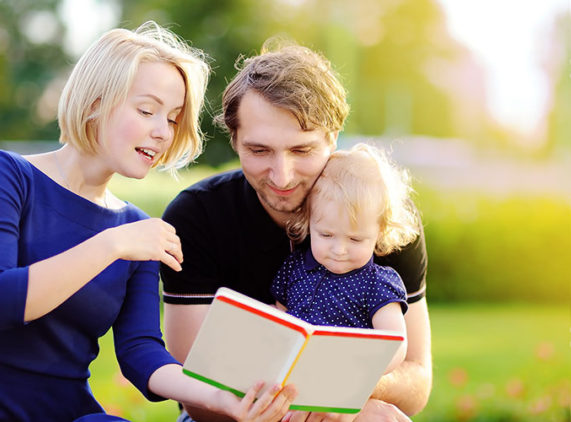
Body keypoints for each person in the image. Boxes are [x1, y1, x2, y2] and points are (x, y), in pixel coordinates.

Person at [0, 23, 296, 422]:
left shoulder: (136, 229)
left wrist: (222, 398)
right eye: (146, 110)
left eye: (173, 119)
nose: (162, 132)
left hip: (65, 412)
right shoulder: (7, 176)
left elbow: (141, 353)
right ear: (95, 102)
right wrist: (112, 245)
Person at [161, 40, 432, 422]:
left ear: (333, 137)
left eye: (302, 151)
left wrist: (340, 393)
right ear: (235, 140)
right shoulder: (197, 218)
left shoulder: (381, 217)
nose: (282, 176)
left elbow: (417, 384)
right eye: (259, 151)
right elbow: (198, 400)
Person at [272, 143, 423, 378]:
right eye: (326, 235)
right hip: (290, 375)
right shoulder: (295, 267)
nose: (339, 249)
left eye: (355, 239)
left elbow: (395, 343)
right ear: (309, 221)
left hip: (341, 379)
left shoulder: (378, 284)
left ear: (380, 233)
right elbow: (277, 315)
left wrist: (359, 377)